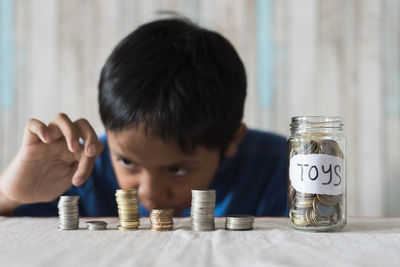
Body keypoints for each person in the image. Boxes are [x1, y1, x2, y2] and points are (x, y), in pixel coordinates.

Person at [0, 18, 287, 217]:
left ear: (231, 140)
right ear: (108, 135)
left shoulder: (284, 170)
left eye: (177, 170)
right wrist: (7, 196)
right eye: (126, 161)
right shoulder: (76, 173)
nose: (149, 194)